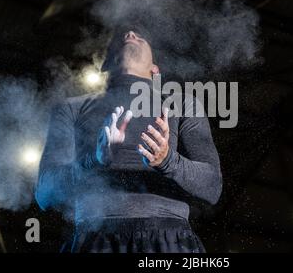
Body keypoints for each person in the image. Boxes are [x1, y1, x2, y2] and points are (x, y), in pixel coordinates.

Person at [35, 24, 222, 253]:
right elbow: (44, 194)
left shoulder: (183, 104)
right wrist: (94, 161)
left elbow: (213, 187)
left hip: (170, 239)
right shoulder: (71, 108)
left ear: (155, 68)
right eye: (121, 37)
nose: (131, 35)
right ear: (104, 64)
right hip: (94, 239)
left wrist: (168, 161)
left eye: (140, 35)